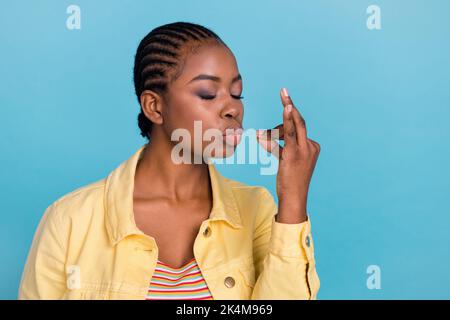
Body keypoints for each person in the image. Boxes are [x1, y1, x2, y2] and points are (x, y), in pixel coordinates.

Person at [18, 21, 321, 300]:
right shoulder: (69, 221)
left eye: (236, 93)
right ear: (154, 106)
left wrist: (293, 200)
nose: (233, 109)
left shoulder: (256, 209)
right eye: (207, 93)